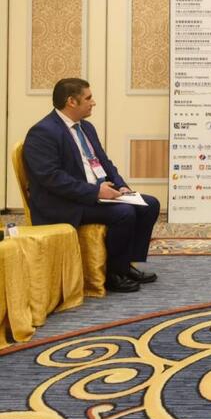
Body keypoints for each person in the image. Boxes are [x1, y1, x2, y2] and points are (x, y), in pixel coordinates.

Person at [23, 78, 160, 293]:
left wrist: (121, 186)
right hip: (64, 202)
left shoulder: (86, 127)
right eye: (88, 98)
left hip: (93, 193)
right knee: (124, 213)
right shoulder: (43, 132)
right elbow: (52, 178)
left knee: (150, 204)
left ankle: (125, 265)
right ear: (71, 102)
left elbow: (104, 162)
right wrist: (96, 191)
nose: (93, 102)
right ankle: (113, 275)